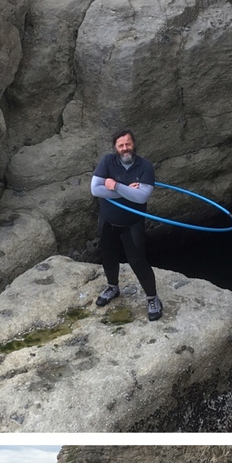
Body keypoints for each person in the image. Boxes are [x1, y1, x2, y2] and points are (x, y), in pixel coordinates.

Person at [90, 129, 163, 321]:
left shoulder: (145, 166)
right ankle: (112, 288)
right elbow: (95, 190)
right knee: (108, 256)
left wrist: (114, 186)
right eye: (121, 145)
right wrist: (125, 191)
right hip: (108, 221)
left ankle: (152, 298)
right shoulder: (108, 161)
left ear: (134, 144)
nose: (125, 148)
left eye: (128, 144)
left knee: (138, 260)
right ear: (115, 147)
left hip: (132, 223)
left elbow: (142, 197)